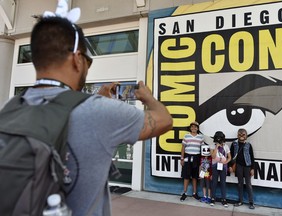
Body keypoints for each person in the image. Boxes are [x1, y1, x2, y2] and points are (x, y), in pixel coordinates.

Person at [25, 14, 172, 216]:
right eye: (88, 60)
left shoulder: (10, 110)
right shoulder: (98, 112)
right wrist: (147, 98)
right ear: (77, 59)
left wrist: (98, 98)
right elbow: (164, 120)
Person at [229, 128, 255, 209]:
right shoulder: (234, 144)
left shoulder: (248, 145)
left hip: (247, 166)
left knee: (248, 184)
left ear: (246, 135)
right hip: (238, 165)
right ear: (237, 135)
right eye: (239, 134)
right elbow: (230, 156)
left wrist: (252, 168)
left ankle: (251, 202)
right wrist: (230, 166)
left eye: (243, 134)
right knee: (240, 184)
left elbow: (252, 157)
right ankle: (240, 201)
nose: (241, 136)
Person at [180, 121, 204, 201]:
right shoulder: (186, 136)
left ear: (197, 128)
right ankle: (184, 193)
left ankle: (194, 193)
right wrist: (182, 158)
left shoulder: (201, 137)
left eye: (195, 127)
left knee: (195, 176)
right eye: (192, 127)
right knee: (186, 176)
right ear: (190, 128)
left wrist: (202, 161)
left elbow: (202, 149)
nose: (194, 128)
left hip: (196, 157)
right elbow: (183, 147)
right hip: (187, 156)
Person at [210, 131, 231, 207]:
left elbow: (229, 157)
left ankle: (224, 199)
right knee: (214, 182)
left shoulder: (226, 146)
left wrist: (226, 162)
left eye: (220, 138)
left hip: (223, 166)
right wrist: (216, 147)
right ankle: (213, 198)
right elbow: (213, 156)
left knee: (223, 183)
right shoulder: (212, 145)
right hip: (215, 165)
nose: (219, 140)